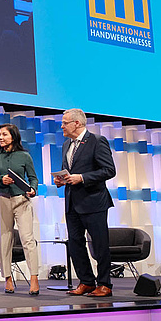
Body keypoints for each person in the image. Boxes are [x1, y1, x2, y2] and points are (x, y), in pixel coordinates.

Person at [54, 109, 116, 297]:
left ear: (77, 124)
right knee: (75, 243)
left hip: (94, 201)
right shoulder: (66, 145)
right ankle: (87, 282)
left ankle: (104, 284)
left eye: (65, 123)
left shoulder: (97, 141)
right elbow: (69, 170)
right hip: (72, 202)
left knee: (99, 244)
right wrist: (62, 180)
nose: (62, 126)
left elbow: (109, 170)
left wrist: (82, 177)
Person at [0, 123, 40, 295]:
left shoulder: (24, 156)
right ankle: (7, 278)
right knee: (4, 239)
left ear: (13, 137)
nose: (1, 137)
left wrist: (33, 189)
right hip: (2, 200)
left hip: (21, 200)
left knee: (27, 239)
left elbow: (33, 179)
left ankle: (34, 278)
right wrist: (0, 180)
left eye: (4, 134)